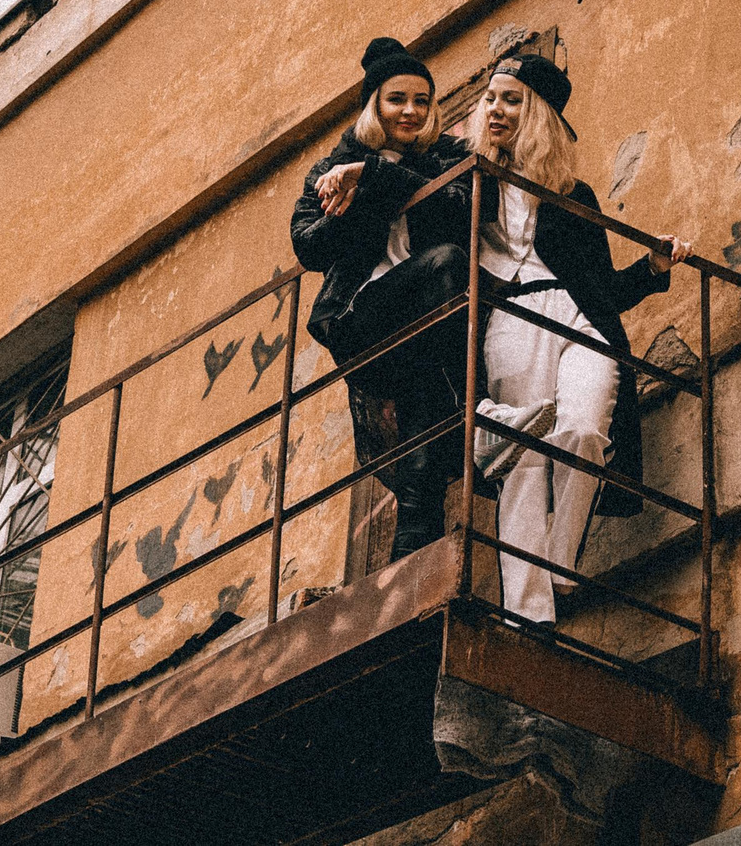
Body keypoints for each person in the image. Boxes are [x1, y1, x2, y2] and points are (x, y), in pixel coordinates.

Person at [460, 51, 690, 622]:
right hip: (511, 321)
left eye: (511, 99)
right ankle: (528, 611)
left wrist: (653, 268)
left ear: (536, 114)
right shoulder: (467, 186)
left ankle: (560, 564)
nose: (496, 109)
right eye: (490, 98)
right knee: (524, 461)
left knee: (585, 430)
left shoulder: (573, 195)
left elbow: (603, 287)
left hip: (579, 319)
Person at [292, 38, 474, 561]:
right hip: (361, 316)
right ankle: (474, 408)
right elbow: (307, 245)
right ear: (375, 104)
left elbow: (466, 211)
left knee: (424, 413)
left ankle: (413, 551)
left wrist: (376, 176)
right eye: (398, 99)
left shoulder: (448, 158)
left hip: (424, 324)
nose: (411, 111)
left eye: (422, 100)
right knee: (445, 268)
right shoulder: (332, 165)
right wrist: (350, 198)